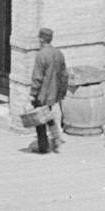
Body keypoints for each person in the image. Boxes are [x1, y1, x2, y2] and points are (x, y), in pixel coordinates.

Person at [29, 25, 69, 154]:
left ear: (41, 39)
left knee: (40, 120)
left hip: (42, 94)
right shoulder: (58, 54)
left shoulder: (41, 55)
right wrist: (62, 92)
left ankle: (43, 147)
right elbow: (64, 75)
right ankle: (56, 140)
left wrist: (32, 94)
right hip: (54, 93)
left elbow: (37, 77)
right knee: (48, 115)